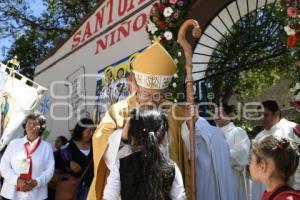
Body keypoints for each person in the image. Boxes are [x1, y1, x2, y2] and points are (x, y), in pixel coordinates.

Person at [88, 42, 191, 200]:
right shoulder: (118, 111)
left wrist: (192, 126)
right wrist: (121, 136)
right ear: (135, 85)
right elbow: (100, 141)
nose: (150, 102)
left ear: (166, 92)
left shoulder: (174, 111)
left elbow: (188, 150)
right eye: (145, 94)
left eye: (157, 96)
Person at [103, 109, 186, 200]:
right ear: (162, 136)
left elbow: (109, 197)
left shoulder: (121, 165)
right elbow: (179, 198)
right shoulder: (171, 167)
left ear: (133, 136)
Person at [250, 100, 300, 200]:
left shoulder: (292, 129)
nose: (262, 118)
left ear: (276, 113)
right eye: (260, 115)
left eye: (265, 115)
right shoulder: (260, 136)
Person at [0, 111, 54, 200]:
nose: (32, 126)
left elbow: (50, 170)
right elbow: (3, 166)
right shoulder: (14, 144)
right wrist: (17, 180)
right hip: (11, 194)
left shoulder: (46, 147)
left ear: (41, 128)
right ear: (25, 126)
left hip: (36, 195)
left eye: (35, 123)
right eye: (29, 123)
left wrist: (37, 182)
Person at [214, 104, 250, 200]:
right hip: (214, 179)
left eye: (219, 113)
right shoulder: (211, 134)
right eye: (214, 113)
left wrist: (218, 155)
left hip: (232, 178)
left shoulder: (238, 132)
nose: (216, 116)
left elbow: (242, 155)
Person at [249, 135, 300, 199]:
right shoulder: (274, 193)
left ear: (263, 166)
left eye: (251, 160)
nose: (249, 164)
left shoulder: (284, 198)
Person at [55, 118, 94, 200]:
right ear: (80, 131)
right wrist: (69, 164)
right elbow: (56, 162)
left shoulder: (95, 145)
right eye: (88, 131)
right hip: (72, 188)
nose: (91, 134)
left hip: (91, 188)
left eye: (92, 131)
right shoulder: (68, 146)